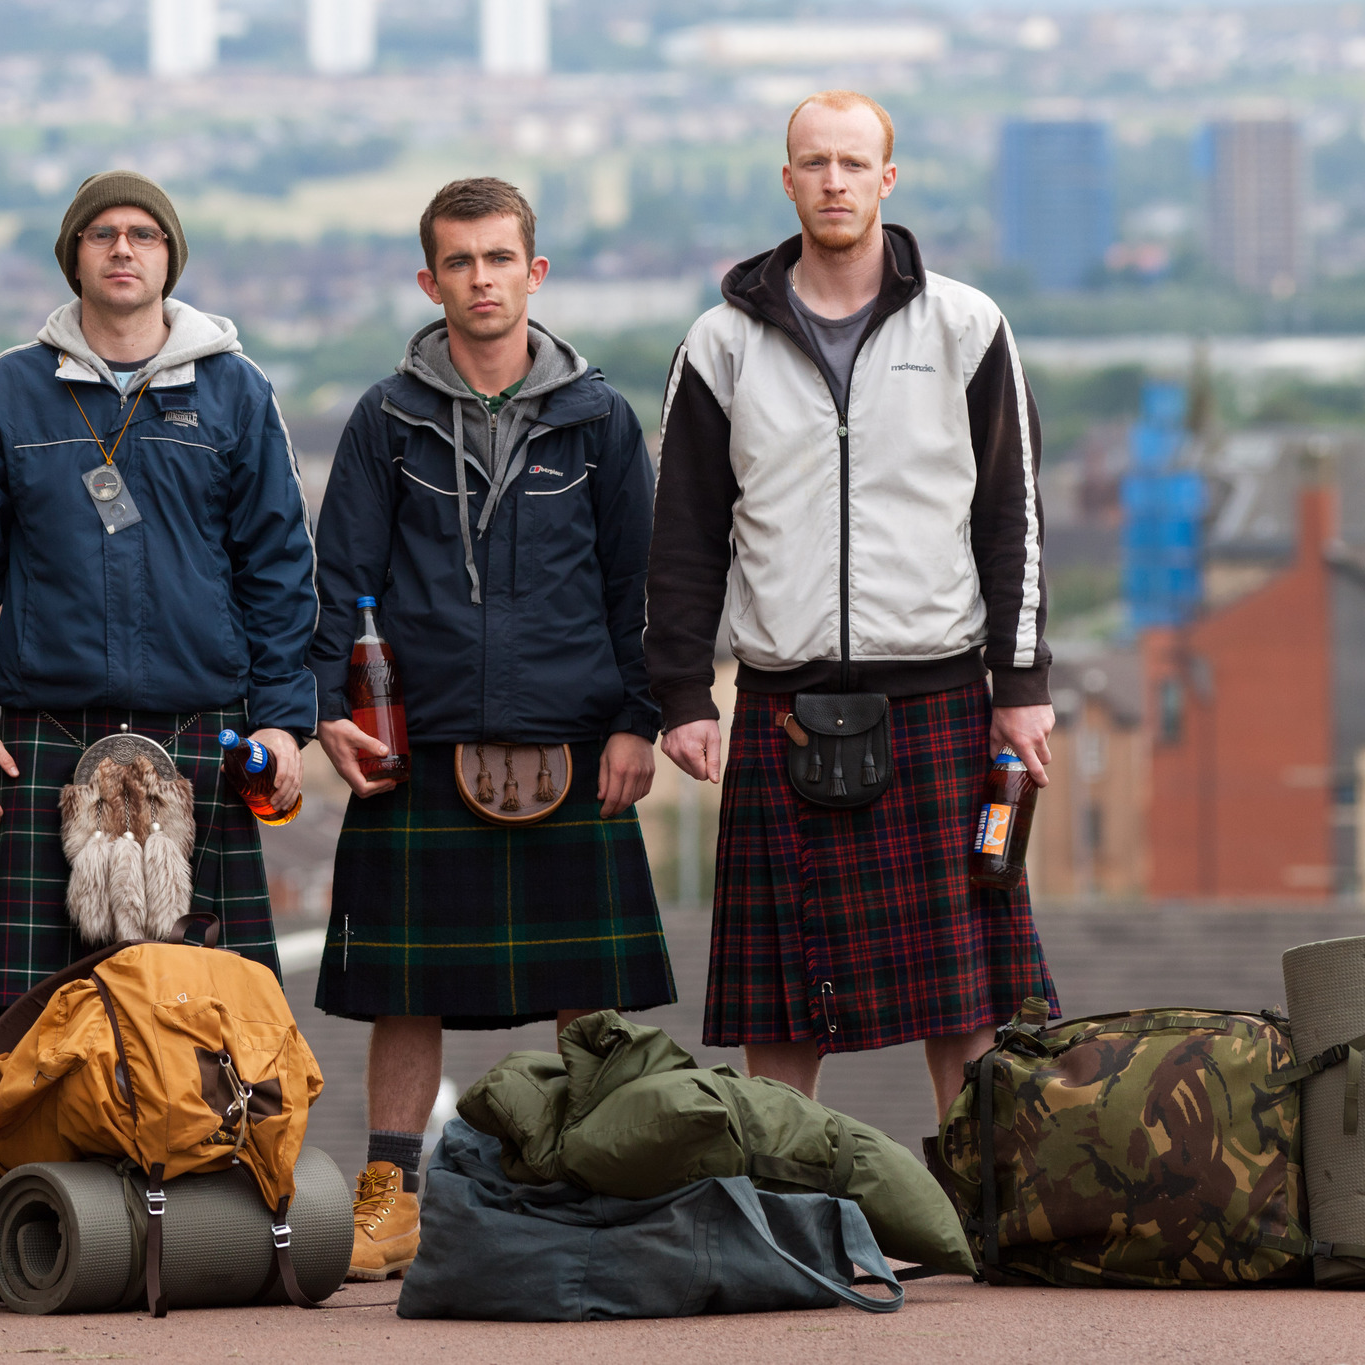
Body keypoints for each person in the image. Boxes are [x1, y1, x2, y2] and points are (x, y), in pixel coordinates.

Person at [648, 91, 1059, 1125]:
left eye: (851, 162)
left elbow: (1010, 516)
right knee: (779, 1004)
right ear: (785, 182)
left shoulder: (966, 326)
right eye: (811, 162)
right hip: (783, 697)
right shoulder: (719, 343)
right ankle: (785, 1204)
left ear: (887, 178)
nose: (832, 180)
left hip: (937, 694)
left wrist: (1020, 687)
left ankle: (981, 1199)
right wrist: (682, 694)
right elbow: (684, 534)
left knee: (966, 1001)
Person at [311, 178, 676, 1282]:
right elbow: (341, 581)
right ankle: (393, 1194)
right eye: (459, 262)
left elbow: (640, 587)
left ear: (535, 272)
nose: (481, 279)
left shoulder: (600, 421)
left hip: (570, 737)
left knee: (584, 994)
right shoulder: (385, 417)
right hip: (417, 741)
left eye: (499, 259)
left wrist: (637, 721)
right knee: (402, 987)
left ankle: (584, 1184)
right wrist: (333, 710)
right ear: (430, 281)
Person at [0, 171, 315, 1014]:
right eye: (103, 234)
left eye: (144, 233)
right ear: (75, 257)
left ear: (170, 256)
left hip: (200, 735)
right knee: (30, 1026)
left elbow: (277, 567)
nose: (124, 248)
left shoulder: (236, 391)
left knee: (203, 1019)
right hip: (41, 743)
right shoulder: (11, 392)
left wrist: (281, 718)